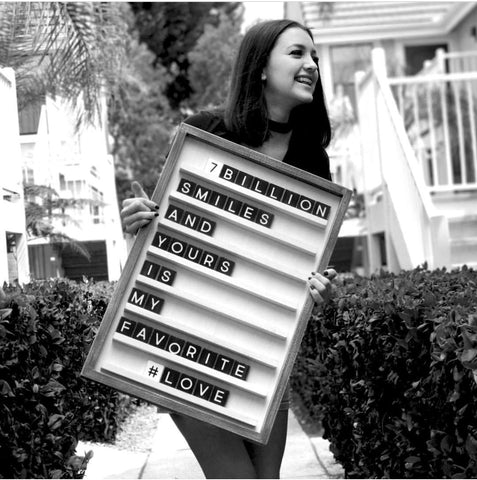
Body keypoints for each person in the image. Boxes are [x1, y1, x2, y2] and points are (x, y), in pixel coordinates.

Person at [120, 19, 336, 479]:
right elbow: (167, 232)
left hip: (263, 353)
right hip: (189, 346)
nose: (311, 64)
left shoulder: (312, 158)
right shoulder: (205, 133)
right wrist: (138, 223)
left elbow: (303, 260)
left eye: (314, 56)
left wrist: (319, 287)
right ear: (260, 67)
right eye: (297, 53)